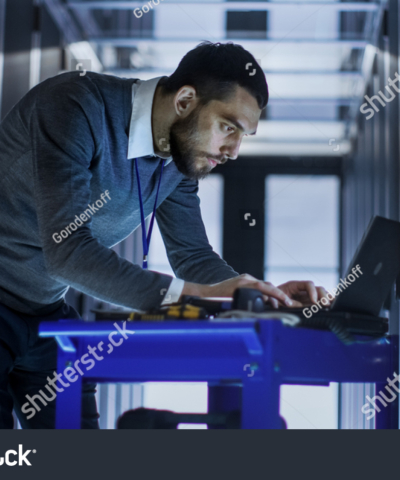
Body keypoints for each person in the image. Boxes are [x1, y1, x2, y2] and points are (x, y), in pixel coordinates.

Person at [0, 41, 328, 429]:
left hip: (43, 314)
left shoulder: (179, 158)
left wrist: (261, 293)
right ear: (186, 100)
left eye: (243, 136)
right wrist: (188, 293)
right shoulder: (75, 105)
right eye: (228, 127)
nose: (234, 151)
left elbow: (193, 256)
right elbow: (68, 252)